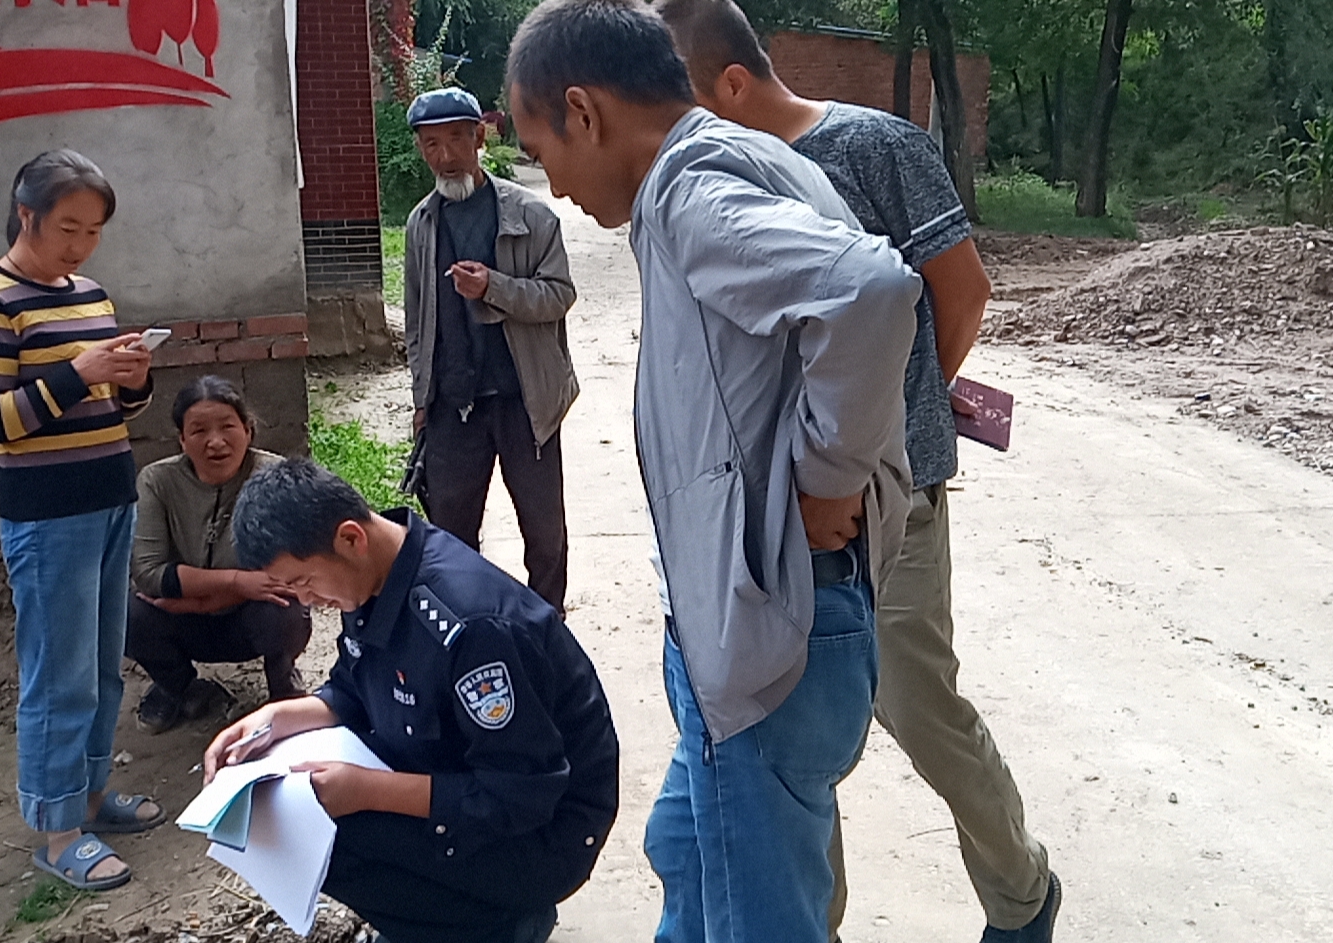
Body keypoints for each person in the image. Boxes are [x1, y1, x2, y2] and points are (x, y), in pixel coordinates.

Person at [505, 2, 922, 940]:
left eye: (540, 149)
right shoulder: (735, 162)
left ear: (584, 112)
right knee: (688, 855)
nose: (553, 184)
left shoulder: (691, 192)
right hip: (744, 620)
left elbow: (870, 292)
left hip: (769, 622)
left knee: (755, 914)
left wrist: (828, 477)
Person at [652, 2, 1060, 939]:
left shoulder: (875, 146)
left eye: (678, 102)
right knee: (788, 725)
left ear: (730, 83)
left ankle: (1021, 890)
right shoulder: (719, 182)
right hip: (782, 518)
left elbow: (961, 291)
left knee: (917, 704)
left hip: (892, 500)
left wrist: (890, 421)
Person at [204, 459, 619, 943]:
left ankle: (504, 922)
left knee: (322, 834)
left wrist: (366, 791)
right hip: (465, 771)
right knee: (281, 818)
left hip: (543, 835)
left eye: (303, 582)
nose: (306, 601)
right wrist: (276, 718)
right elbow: (353, 688)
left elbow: (520, 797)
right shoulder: (373, 575)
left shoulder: (469, 627)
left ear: (351, 538)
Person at [0, 149, 165, 891]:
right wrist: (79, 373)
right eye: (68, 228)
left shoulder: (91, 296)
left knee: (102, 666)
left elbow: (114, 409)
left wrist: (131, 380)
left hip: (110, 494)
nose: (80, 245)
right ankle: (57, 829)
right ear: (27, 215)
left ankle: (92, 796)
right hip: (47, 514)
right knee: (58, 675)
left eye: (94, 231)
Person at [402, 86, 580, 613]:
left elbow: (559, 295)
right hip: (453, 404)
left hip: (524, 401)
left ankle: (547, 626)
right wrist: (421, 398)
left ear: (480, 138)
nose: (445, 156)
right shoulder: (421, 224)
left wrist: (493, 288)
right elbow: (416, 318)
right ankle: (469, 626)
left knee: (544, 533)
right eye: (431, 145)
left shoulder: (531, 215)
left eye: (457, 140)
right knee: (452, 533)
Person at [127, 375, 312, 734]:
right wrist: (239, 581)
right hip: (179, 620)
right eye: (198, 431)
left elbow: (287, 571)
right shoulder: (156, 481)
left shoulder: (275, 477)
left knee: (286, 606)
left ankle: (283, 683)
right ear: (182, 439)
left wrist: (203, 600)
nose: (215, 441)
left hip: (246, 617)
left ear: (248, 429)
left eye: (227, 426)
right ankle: (180, 687)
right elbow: (148, 573)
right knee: (125, 613)